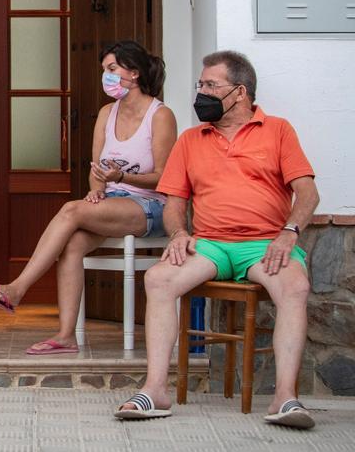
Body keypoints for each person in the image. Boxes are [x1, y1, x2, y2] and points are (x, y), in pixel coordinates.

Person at [114, 50, 319, 429]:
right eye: (200, 84)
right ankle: (155, 390)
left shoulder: (278, 130)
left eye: (211, 85)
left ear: (239, 92)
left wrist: (289, 233)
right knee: (158, 279)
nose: (201, 92)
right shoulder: (191, 139)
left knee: (294, 286)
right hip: (209, 244)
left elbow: (307, 194)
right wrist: (178, 233)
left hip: (263, 245)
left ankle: (284, 398)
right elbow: (175, 203)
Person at [0, 41, 177, 355]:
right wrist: (97, 190)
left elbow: (167, 176)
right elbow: (95, 168)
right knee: (72, 244)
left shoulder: (160, 115)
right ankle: (65, 336)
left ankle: (17, 289)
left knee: (71, 211)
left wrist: (122, 178)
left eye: (112, 69)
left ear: (134, 74)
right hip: (113, 201)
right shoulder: (105, 113)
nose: (106, 77)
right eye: (104, 71)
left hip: (150, 206)